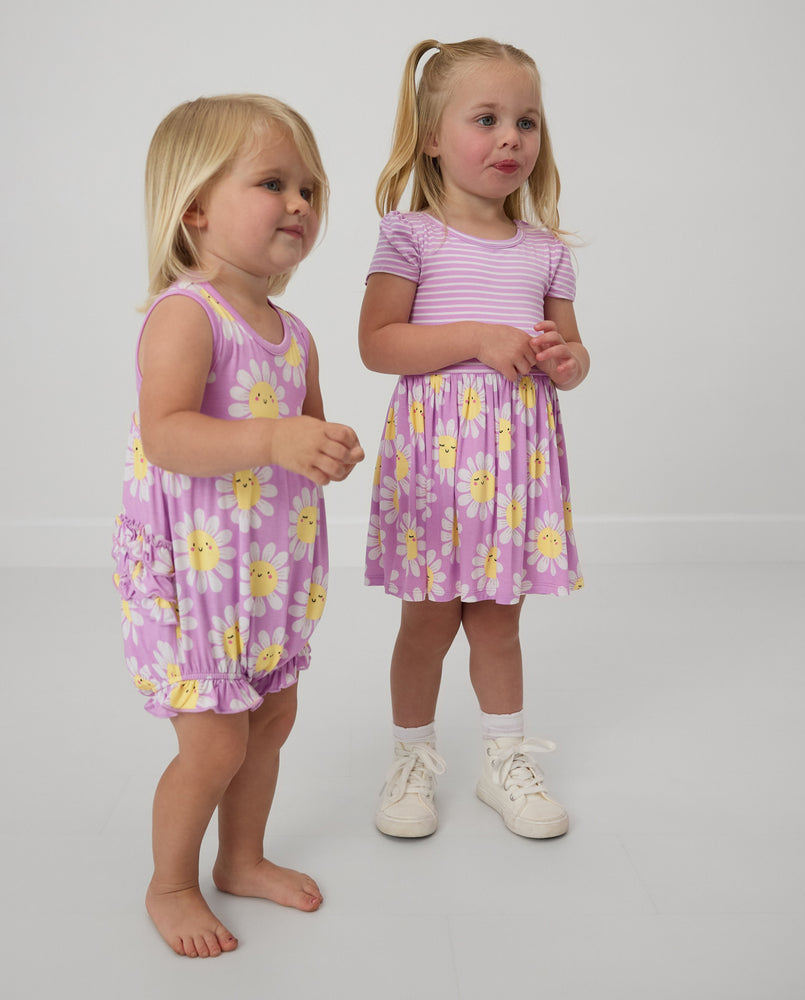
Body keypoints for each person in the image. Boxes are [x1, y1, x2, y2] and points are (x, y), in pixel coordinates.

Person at [113, 94, 363, 958]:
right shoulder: (188, 313)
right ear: (195, 208)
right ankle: (170, 883)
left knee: (272, 720)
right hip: (198, 581)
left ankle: (242, 857)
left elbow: (301, 430)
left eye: (309, 188)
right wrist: (271, 438)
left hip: (267, 577)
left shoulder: (295, 334)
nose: (299, 202)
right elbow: (167, 434)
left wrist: (325, 446)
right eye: (272, 183)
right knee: (215, 742)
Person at [359, 38, 589, 842]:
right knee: (426, 624)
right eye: (486, 119)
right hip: (436, 468)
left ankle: (504, 761)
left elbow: (573, 354)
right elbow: (378, 344)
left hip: (513, 469)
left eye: (526, 121)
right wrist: (475, 337)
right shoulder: (411, 236)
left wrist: (566, 361)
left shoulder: (546, 250)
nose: (511, 138)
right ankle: (412, 760)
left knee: (498, 623)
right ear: (431, 136)